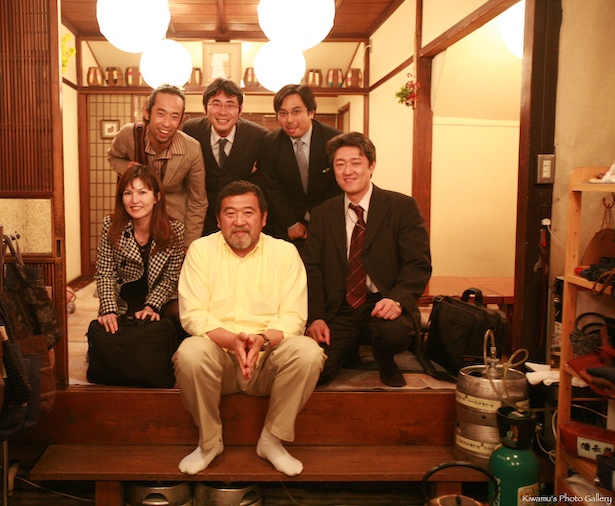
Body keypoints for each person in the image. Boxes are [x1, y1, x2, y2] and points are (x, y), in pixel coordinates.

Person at [173, 180, 325, 477]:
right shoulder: (201, 251)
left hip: (268, 359)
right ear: (218, 219)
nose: (239, 222)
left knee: (308, 352)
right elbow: (192, 314)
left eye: (248, 212)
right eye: (230, 213)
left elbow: (294, 317)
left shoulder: (284, 253)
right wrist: (232, 340)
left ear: (264, 218)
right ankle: (209, 443)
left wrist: (261, 340)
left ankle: (272, 440)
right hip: (220, 360)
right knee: (189, 352)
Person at [304, 132, 431, 387]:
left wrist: (397, 300)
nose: (347, 171)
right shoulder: (322, 214)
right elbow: (313, 269)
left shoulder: (401, 206)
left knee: (392, 333)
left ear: (371, 166)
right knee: (317, 372)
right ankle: (348, 350)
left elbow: (418, 264)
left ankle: (385, 358)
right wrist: (316, 317)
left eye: (356, 163)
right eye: (340, 164)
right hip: (341, 307)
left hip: (382, 300)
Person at [108, 84, 207, 247]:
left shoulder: (192, 149)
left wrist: (189, 244)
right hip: (135, 221)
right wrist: (127, 168)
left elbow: (198, 201)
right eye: (161, 114)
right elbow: (113, 157)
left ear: (182, 119)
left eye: (174, 117)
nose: (167, 123)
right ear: (147, 113)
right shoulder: (129, 135)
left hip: (173, 223)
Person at [95, 165, 185, 333]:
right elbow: (104, 273)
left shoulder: (174, 230)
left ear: (157, 197)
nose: (134, 200)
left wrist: (151, 306)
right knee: (108, 333)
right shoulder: (111, 225)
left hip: (158, 301)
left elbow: (170, 279)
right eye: (128, 193)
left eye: (142, 192)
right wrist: (108, 309)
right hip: (122, 301)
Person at [257, 84, 342, 250]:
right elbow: (272, 187)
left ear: (311, 112)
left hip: (328, 221)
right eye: (283, 113)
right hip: (286, 225)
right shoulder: (270, 143)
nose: (289, 120)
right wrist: (291, 223)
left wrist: (319, 221)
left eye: (296, 111)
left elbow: (337, 186)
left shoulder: (334, 140)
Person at [182, 78, 269, 236]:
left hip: (239, 219)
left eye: (230, 105)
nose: (223, 112)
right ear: (205, 108)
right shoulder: (191, 130)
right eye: (216, 104)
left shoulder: (258, 136)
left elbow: (266, 176)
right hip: (201, 219)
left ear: (240, 110)